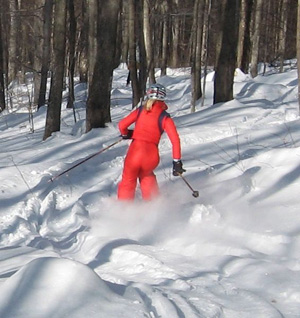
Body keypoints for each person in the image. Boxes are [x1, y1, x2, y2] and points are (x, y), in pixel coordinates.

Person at [117, 83, 185, 200]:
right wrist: (177, 162)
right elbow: (175, 141)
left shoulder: (140, 111)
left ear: (148, 94)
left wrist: (125, 134)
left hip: (135, 152)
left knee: (128, 180)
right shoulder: (165, 117)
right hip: (151, 155)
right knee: (147, 176)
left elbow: (122, 124)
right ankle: (153, 208)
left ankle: (124, 210)